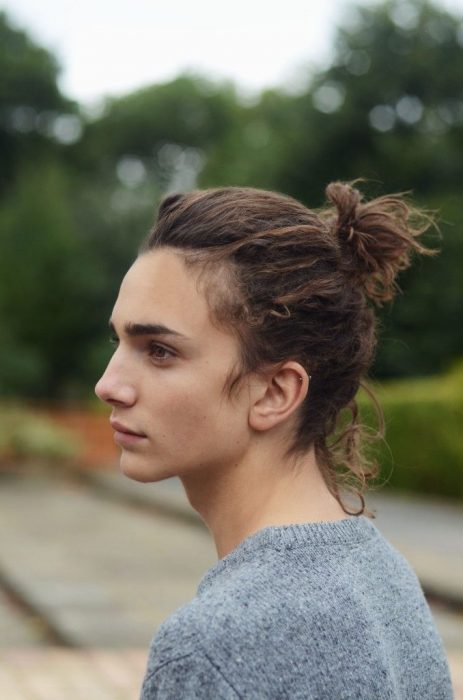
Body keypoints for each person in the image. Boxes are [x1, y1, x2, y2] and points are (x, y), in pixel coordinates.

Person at [95, 182, 453, 699]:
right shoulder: (382, 577)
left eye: (160, 351)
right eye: (120, 340)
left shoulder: (214, 645)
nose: (108, 385)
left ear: (274, 393)